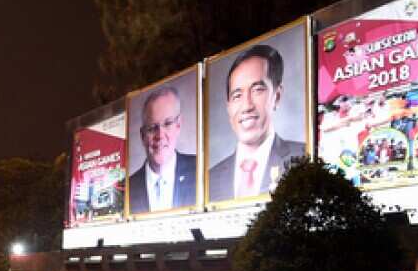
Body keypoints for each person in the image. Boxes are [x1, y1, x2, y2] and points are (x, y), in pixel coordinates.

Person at [208, 44, 306, 202]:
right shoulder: (209, 180)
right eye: (237, 96)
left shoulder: (304, 157)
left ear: (277, 96)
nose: (246, 106)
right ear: (228, 107)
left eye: (257, 90)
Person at [128, 85, 197, 213]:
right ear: (143, 135)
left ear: (178, 125)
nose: (159, 135)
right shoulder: (127, 188)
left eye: (168, 123)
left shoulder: (199, 170)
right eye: (152, 128)